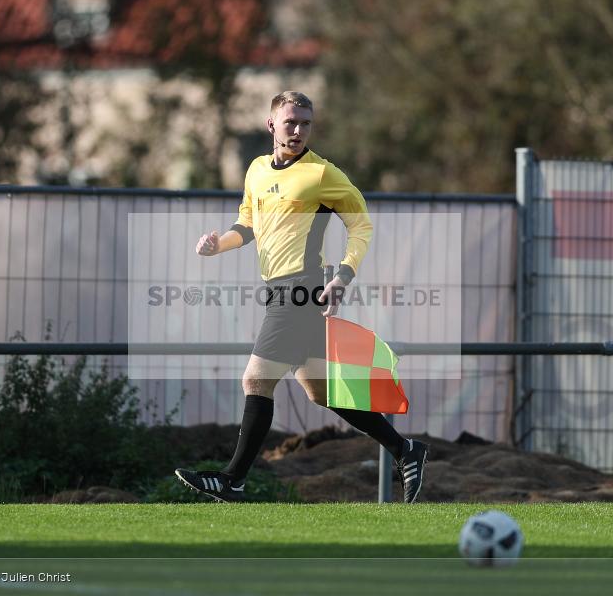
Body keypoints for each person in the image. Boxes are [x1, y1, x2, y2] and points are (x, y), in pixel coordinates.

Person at [174, 91, 428, 503]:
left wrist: (344, 274)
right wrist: (216, 244)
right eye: (290, 122)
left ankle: (232, 479)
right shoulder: (256, 170)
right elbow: (249, 224)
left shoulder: (321, 173)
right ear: (271, 124)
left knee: (256, 379)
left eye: (305, 123)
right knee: (321, 390)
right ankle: (405, 450)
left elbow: (361, 225)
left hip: (301, 289)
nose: (297, 130)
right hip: (276, 290)